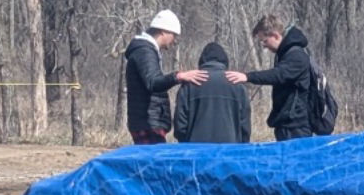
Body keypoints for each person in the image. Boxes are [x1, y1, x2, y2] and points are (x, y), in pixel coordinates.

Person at [124, 9, 206, 145]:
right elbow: (153, 82)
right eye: (174, 35)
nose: (174, 41)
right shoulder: (145, 51)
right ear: (164, 32)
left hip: (148, 122)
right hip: (148, 123)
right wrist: (179, 76)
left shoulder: (146, 50)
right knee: (152, 165)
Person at [226, 14, 312, 141]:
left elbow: (277, 75)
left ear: (276, 35)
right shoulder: (284, 54)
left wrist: (247, 77)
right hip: (286, 124)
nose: (264, 45)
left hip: (296, 126)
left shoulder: (296, 56)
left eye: (264, 41)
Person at [173, 41, 251, 144]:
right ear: (225, 61)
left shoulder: (190, 85)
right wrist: (242, 145)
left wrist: (185, 143)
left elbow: (180, 125)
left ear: (202, 61)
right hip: (230, 150)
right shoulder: (237, 85)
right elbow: (245, 124)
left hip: (196, 151)